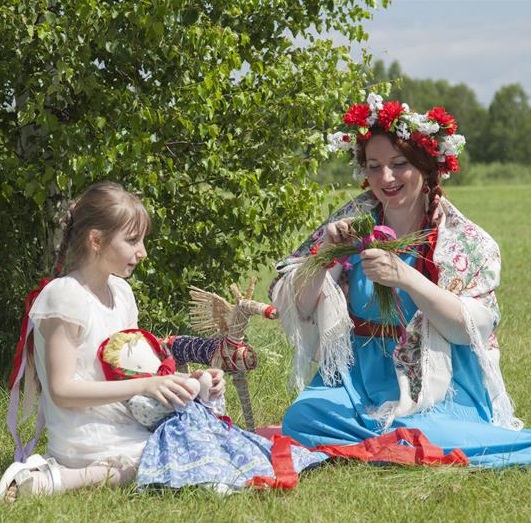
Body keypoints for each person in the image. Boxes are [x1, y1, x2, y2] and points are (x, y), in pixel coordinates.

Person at [0, 181, 323, 501]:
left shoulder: (121, 292)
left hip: (127, 418)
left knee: (205, 442)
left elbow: (138, 372)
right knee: (173, 456)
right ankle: (54, 479)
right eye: (132, 241)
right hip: (86, 431)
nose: (142, 252)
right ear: (96, 240)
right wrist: (145, 387)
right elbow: (62, 391)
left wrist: (191, 383)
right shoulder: (65, 296)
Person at [271, 92, 531, 468]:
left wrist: (407, 278)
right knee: (302, 418)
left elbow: (467, 329)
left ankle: (405, 436)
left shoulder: (464, 241)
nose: (386, 178)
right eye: (374, 166)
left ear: (426, 167)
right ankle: (395, 441)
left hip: (436, 381)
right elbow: (298, 304)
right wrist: (326, 257)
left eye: (399, 164)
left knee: (428, 430)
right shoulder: (352, 223)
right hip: (358, 379)